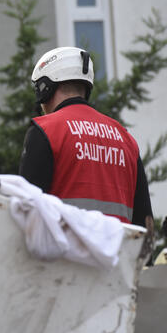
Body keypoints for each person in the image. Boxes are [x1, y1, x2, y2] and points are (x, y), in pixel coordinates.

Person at [19, 46, 152, 226]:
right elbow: (145, 224)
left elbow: (26, 213)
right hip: (118, 253)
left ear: (45, 89)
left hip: (63, 253)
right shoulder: (126, 139)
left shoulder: (45, 131)